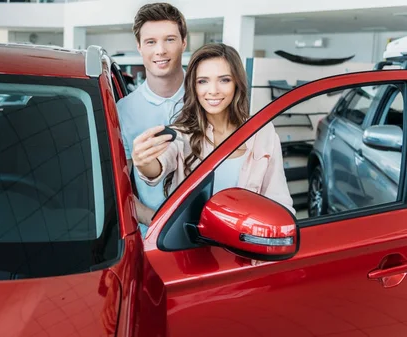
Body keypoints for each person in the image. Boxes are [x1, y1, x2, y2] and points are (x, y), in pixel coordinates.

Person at [132, 43, 295, 214]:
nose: (213, 91)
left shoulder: (262, 131)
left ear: (237, 83)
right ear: (193, 87)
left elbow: (279, 200)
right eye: (203, 81)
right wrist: (143, 162)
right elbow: (156, 168)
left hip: (248, 239)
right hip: (192, 240)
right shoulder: (182, 134)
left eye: (224, 80)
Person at [116, 2, 188, 238]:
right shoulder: (124, 110)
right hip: (153, 238)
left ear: (184, 42)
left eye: (169, 39)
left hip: (212, 234)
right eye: (150, 42)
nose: (160, 50)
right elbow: (120, 186)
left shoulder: (208, 99)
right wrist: (155, 220)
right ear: (139, 47)